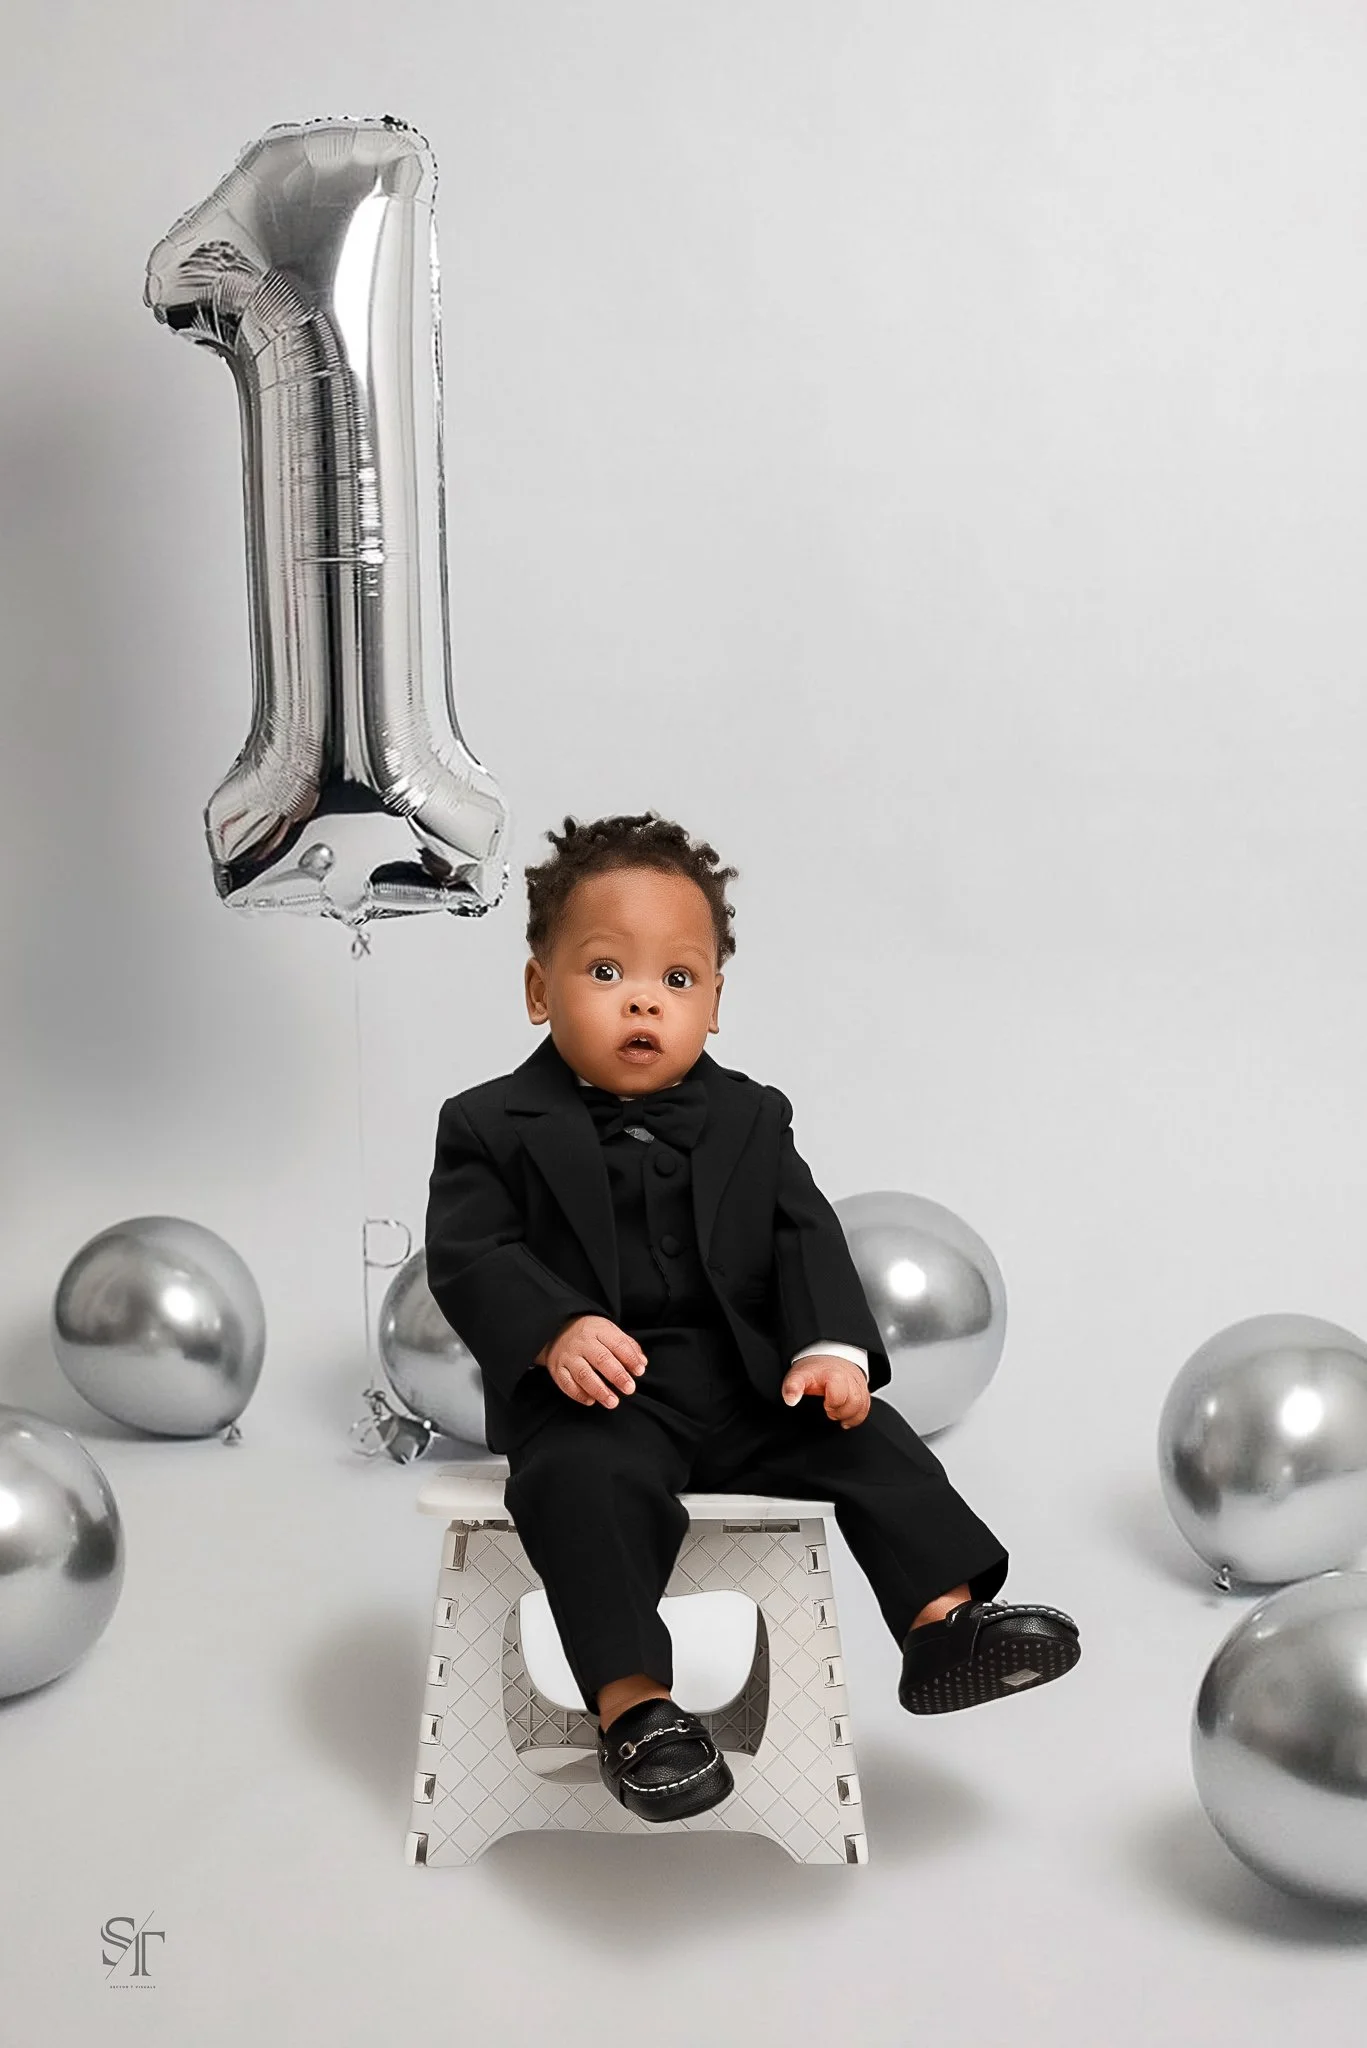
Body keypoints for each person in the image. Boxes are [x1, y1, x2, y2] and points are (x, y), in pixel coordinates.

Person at [425, 811, 1080, 1824]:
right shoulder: (485, 1124)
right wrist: (554, 1327)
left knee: (870, 1440)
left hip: (738, 1385)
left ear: (714, 1003)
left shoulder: (750, 1116)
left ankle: (941, 1619)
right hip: (598, 1400)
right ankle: (636, 1709)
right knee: (578, 1488)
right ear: (535, 987)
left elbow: (801, 1234)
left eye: (675, 979)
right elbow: (470, 1253)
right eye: (604, 972)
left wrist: (827, 1351)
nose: (642, 996)